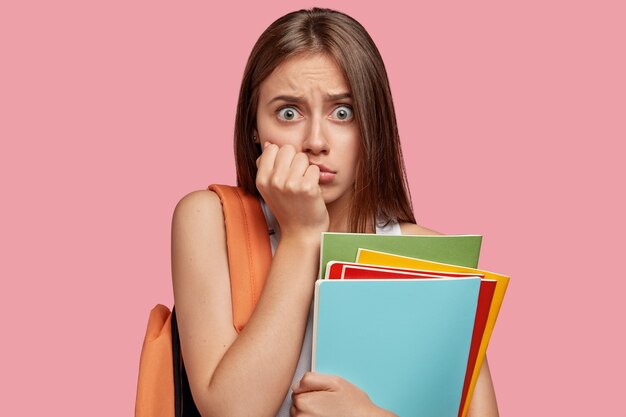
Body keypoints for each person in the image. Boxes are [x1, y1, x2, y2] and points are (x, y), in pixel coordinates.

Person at [171, 7, 499, 417]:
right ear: (254, 126)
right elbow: (232, 411)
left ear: (372, 126)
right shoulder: (209, 221)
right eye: (288, 112)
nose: (315, 141)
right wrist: (302, 234)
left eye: (342, 112)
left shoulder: (430, 257)